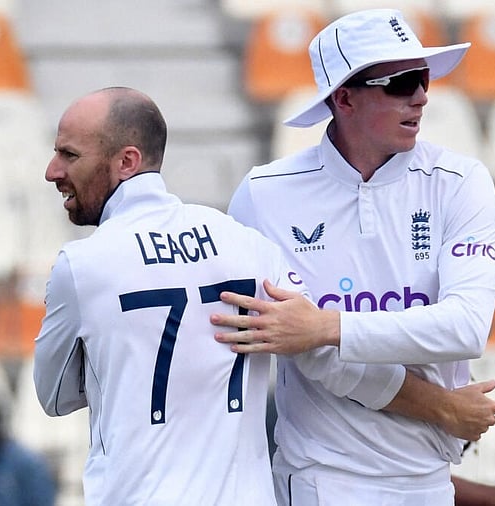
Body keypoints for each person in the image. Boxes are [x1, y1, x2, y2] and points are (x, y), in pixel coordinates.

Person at [211, 9, 495, 506]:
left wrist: (328, 326)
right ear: (344, 98)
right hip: (320, 478)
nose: (423, 95)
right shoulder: (264, 194)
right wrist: (441, 406)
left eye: (423, 77)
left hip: (429, 480)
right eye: (401, 82)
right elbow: (310, 354)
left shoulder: (460, 181)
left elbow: (465, 328)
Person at [32, 86, 310, 505]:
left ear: (127, 161)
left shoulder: (81, 266)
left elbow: (54, 398)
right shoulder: (249, 246)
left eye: (69, 155)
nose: (52, 171)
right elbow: (320, 342)